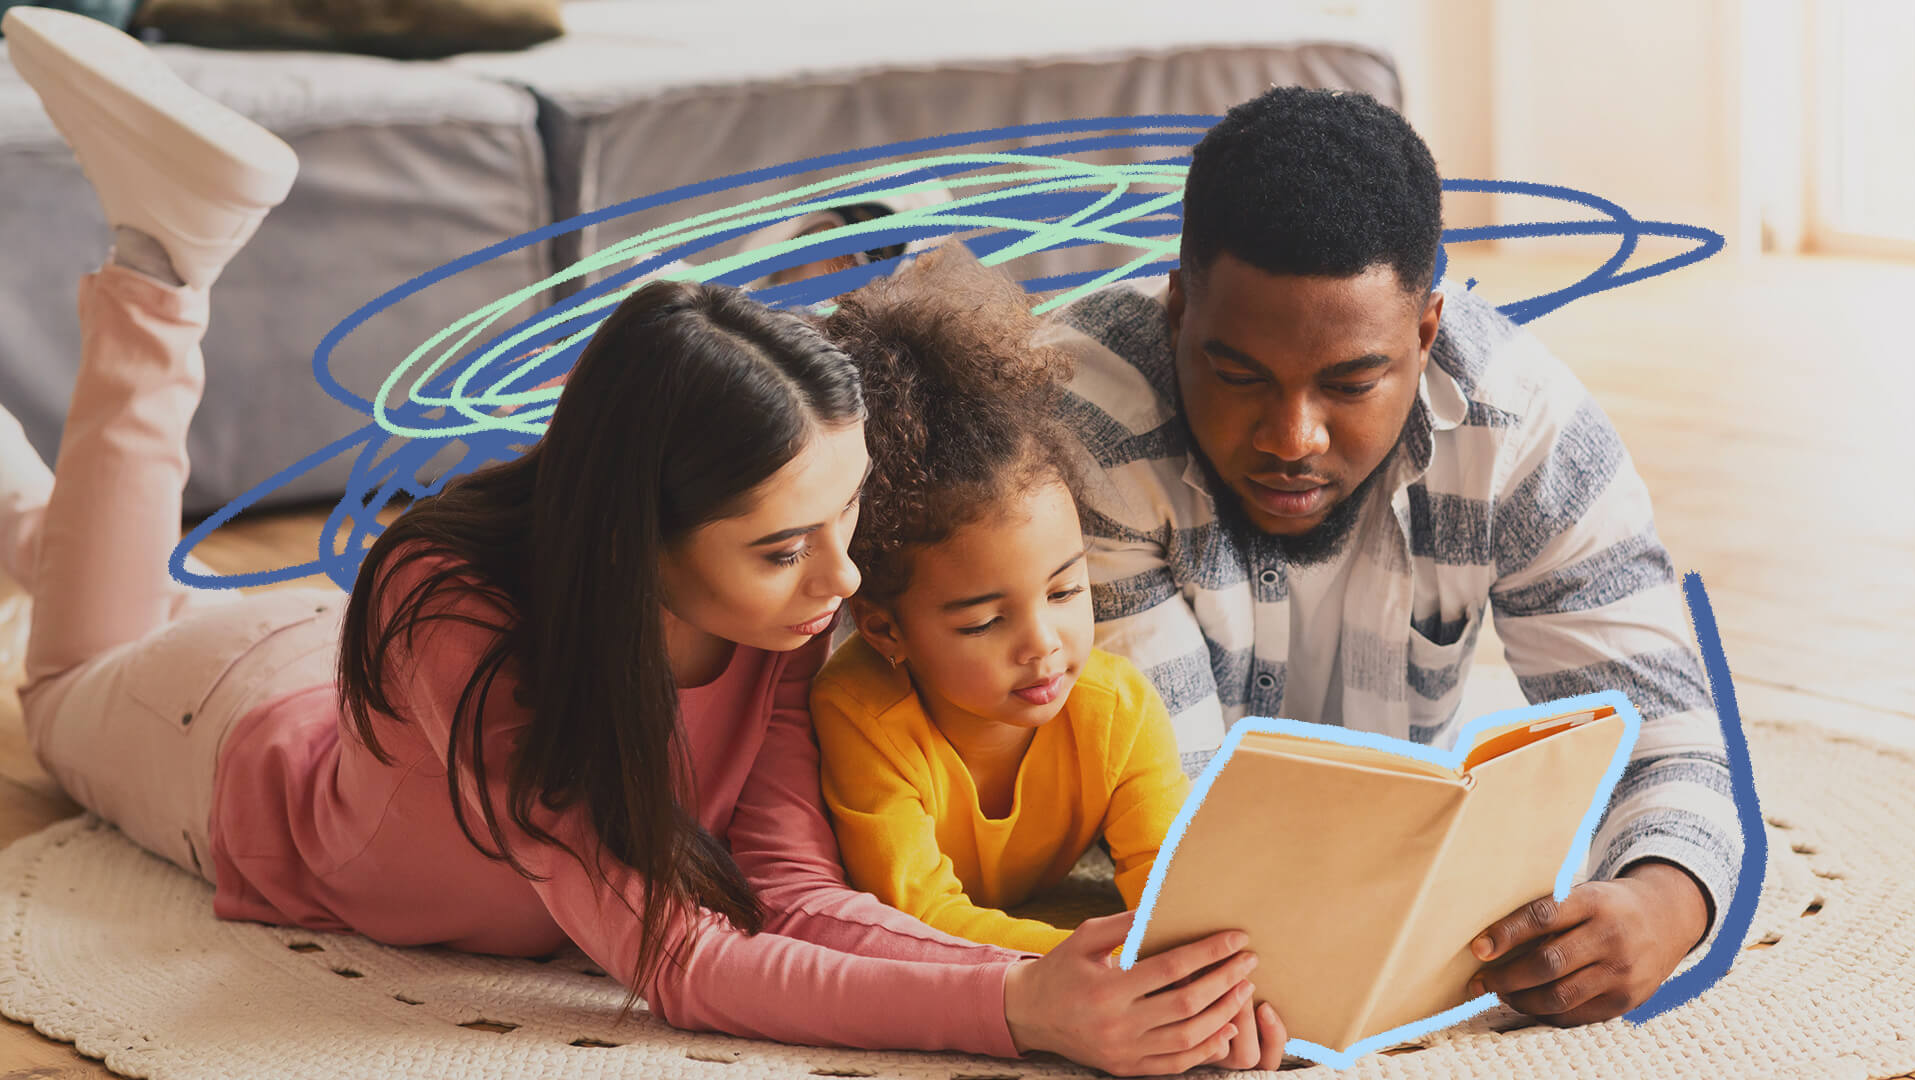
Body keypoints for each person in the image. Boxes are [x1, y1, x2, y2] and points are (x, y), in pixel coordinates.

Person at [0, 8, 1267, 1076]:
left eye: (846, 522)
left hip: (315, 654)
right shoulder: (466, 640)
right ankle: (163, 268)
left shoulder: (779, 622)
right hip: (224, 730)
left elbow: (797, 898)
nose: (841, 586)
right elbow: (679, 956)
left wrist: (1054, 969)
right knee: (61, 688)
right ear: (641, 544)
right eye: (784, 551)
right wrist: (1016, 1015)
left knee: (93, 590)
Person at [1045, 85, 1741, 1027]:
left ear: (1425, 335)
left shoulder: (1526, 431)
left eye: (1350, 382)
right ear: (1176, 311)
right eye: (1238, 374)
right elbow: (1187, 848)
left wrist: (1661, 905)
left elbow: (1667, 733)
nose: (1292, 438)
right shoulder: (1077, 423)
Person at [807, 249, 1194, 959]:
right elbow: (917, 918)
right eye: (986, 620)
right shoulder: (860, 713)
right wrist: (1085, 963)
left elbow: (1177, 895)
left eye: (1067, 589)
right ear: (887, 630)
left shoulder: (1118, 711)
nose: (1043, 643)